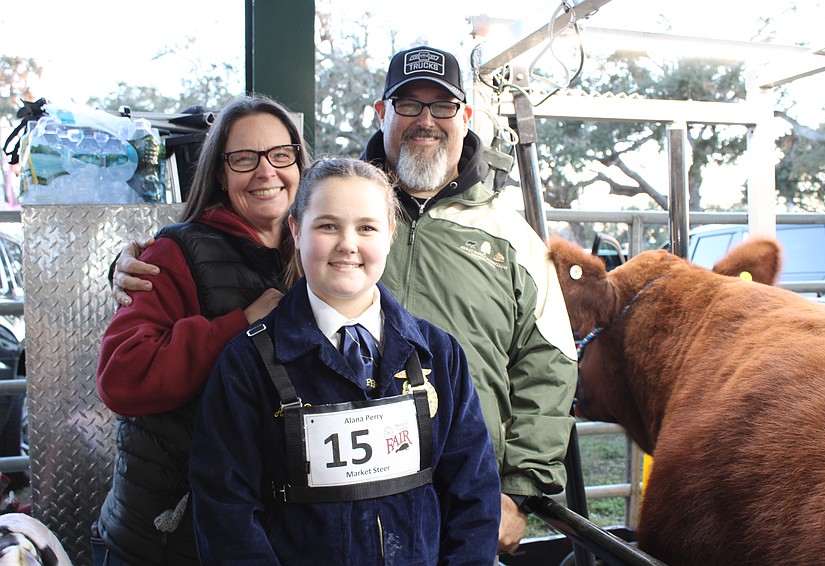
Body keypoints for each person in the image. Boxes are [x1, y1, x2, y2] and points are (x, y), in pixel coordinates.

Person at [112, 45, 578, 555]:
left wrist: (516, 492)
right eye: (407, 105)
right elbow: (227, 500)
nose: (348, 244)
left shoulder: (499, 258)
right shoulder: (234, 310)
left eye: (442, 106)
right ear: (302, 227)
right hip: (222, 525)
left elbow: (549, 366)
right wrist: (143, 262)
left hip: (442, 512)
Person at [189, 157, 501, 564]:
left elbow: (473, 493)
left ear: (390, 233)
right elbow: (225, 512)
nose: (348, 244)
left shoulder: (440, 355)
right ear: (296, 230)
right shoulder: (247, 365)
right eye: (327, 226)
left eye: (367, 227)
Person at [94, 94, 310, 565]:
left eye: (280, 155)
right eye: (244, 159)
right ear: (219, 172)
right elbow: (122, 377)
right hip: (167, 539)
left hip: (262, 537)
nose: (266, 172)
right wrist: (241, 325)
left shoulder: (315, 257)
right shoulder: (174, 253)